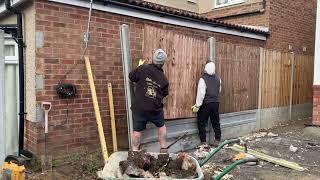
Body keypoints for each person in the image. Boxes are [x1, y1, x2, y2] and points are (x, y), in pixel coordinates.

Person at [129, 49, 169, 153]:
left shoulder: (142, 69)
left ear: (153, 59)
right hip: (154, 108)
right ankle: (163, 149)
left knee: (137, 131)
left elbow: (131, 76)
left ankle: (134, 152)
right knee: (161, 126)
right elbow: (164, 93)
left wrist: (138, 68)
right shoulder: (164, 79)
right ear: (163, 63)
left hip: (140, 107)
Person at [192, 62, 222, 146]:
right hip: (215, 103)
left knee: (201, 122)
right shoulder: (218, 79)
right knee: (216, 122)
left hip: (206, 104)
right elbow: (219, 90)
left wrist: (197, 105)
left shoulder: (203, 79)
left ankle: (203, 142)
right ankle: (217, 140)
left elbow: (201, 94)